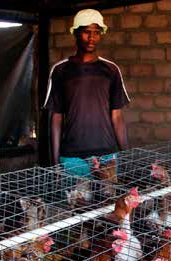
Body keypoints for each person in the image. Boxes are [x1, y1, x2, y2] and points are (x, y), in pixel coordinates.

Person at [43, 9, 130, 177]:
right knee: (77, 202)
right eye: (86, 32)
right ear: (76, 33)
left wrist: (127, 154)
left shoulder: (111, 70)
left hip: (106, 154)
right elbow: (56, 117)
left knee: (109, 202)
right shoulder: (60, 70)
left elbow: (117, 116)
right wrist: (55, 163)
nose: (92, 38)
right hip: (72, 157)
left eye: (97, 33)